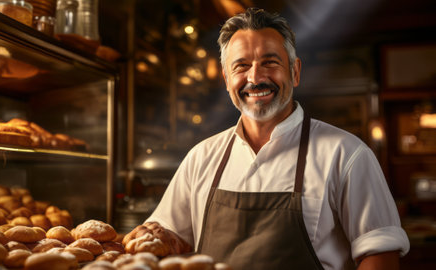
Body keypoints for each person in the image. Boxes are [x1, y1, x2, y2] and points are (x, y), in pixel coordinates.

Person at [131, 7, 410, 270]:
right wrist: (158, 236)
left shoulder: (347, 154)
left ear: (295, 71)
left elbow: (380, 255)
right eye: (241, 66)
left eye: (270, 62)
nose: (256, 77)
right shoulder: (201, 157)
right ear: (227, 79)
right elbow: (173, 239)